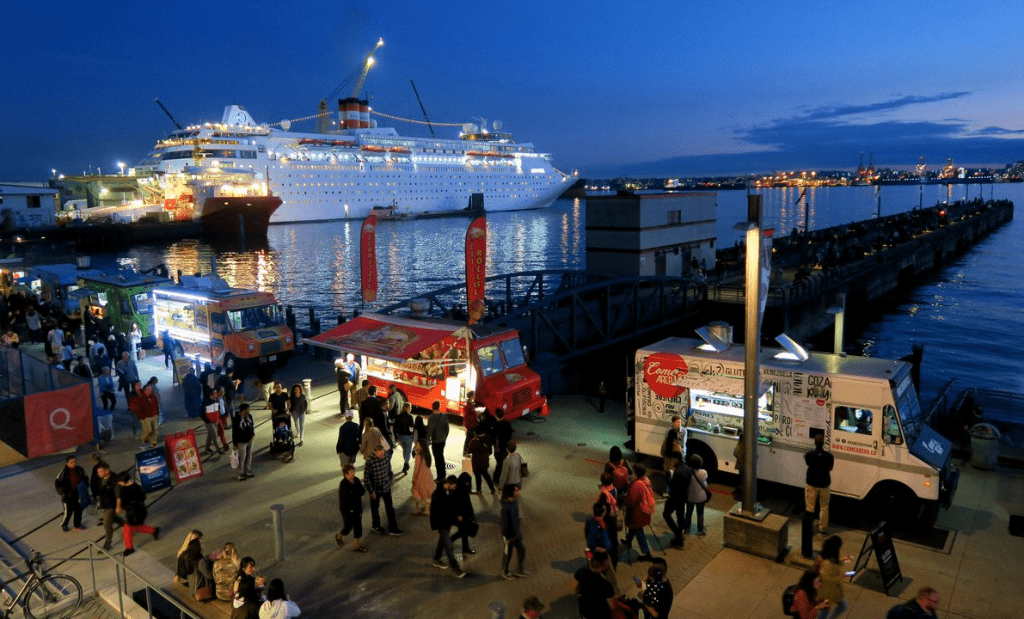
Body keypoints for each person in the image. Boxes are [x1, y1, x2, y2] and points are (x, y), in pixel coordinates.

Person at [430, 475, 467, 578]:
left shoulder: (450, 492)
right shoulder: (437, 494)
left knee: (442, 541)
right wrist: (434, 525)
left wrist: (457, 515)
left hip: (448, 522)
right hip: (441, 524)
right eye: (454, 486)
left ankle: (436, 559)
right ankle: (455, 568)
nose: (455, 488)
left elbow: (452, 505)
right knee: (449, 546)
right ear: (449, 484)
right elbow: (434, 511)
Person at [116, 472, 160, 557]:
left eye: (120, 482)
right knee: (135, 528)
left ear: (123, 481)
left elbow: (123, 502)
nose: (119, 483)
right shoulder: (135, 486)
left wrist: (121, 506)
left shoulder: (125, 490)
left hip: (134, 512)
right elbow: (143, 497)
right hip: (139, 510)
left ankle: (129, 548)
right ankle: (154, 530)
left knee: (127, 529)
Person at [364, 445, 403, 536]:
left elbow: (389, 471)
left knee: (390, 508)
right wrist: (371, 491)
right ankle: (376, 525)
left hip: (385, 487)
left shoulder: (386, 457)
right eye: (380, 454)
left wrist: (390, 480)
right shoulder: (370, 461)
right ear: (375, 452)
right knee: (375, 508)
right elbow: (366, 478)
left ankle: (393, 528)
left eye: (383, 453)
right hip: (375, 489)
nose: (382, 456)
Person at [621, 464, 655, 562]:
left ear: (636, 472)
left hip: (637, 512)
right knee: (634, 528)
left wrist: (623, 499)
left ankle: (647, 553)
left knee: (639, 531)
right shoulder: (646, 480)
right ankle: (628, 541)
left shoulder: (637, 484)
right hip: (645, 510)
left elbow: (630, 500)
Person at [805, 432, 835, 534]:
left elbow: (808, 463)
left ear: (815, 443)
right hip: (824, 484)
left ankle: (808, 527)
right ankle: (823, 529)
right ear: (823, 443)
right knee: (824, 506)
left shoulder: (809, 455)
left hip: (811, 483)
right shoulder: (829, 456)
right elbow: (830, 468)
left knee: (810, 506)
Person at [815, 535, 851, 619]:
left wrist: (844, 560)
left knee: (841, 606)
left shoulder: (832, 557)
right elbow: (826, 578)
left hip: (833, 591)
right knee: (828, 610)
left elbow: (836, 563)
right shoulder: (827, 562)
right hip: (827, 592)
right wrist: (841, 577)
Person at [662, 452, 691, 547]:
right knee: (680, 516)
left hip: (675, 497)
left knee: (666, 514)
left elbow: (673, 486)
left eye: (672, 460)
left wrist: (668, 479)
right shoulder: (687, 468)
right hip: (683, 497)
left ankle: (678, 535)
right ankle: (680, 535)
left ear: (676, 459)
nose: (671, 462)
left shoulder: (678, 471)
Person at [500, 483, 528, 579]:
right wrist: (507, 537)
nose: (517, 492)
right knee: (508, 553)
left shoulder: (515, 502)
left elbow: (516, 515)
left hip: (516, 533)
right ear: (510, 492)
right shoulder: (506, 507)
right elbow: (504, 524)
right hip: (509, 535)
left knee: (522, 549)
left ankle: (520, 570)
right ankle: (505, 571)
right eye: (515, 491)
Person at [175, 530, 213, 601]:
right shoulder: (196, 557)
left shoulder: (182, 553)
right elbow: (208, 575)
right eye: (199, 539)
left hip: (184, 579)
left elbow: (180, 570)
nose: (201, 541)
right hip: (193, 583)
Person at [336, 464, 367, 552]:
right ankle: (339, 536)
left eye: (354, 472)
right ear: (346, 474)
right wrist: (355, 492)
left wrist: (355, 492)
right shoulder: (343, 484)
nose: (353, 474)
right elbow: (346, 498)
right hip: (347, 509)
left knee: (358, 526)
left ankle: (357, 546)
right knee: (348, 527)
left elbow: (362, 491)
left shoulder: (356, 480)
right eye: (351, 472)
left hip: (357, 507)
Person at [595, 472, 622, 568]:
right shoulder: (614, 489)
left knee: (605, 541)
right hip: (613, 518)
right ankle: (614, 562)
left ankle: (605, 562)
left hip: (606, 520)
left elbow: (600, 508)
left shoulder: (603, 493)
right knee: (614, 541)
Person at [54, 455, 87, 532]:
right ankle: (64, 524)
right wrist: (63, 493)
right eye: (71, 462)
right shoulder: (64, 472)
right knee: (68, 511)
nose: (73, 464)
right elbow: (57, 483)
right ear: (67, 463)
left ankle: (77, 524)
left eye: (74, 462)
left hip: (76, 492)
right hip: (67, 494)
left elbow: (84, 478)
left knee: (78, 509)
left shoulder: (79, 469)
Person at [94, 462, 122, 550]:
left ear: (107, 471)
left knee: (107, 525)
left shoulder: (114, 480)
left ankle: (108, 544)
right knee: (114, 518)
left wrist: (118, 506)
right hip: (104, 503)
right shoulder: (100, 478)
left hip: (110, 505)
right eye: (98, 471)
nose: (98, 473)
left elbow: (118, 495)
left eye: (101, 471)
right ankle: (127, 525)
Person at [684, 453, 709, 536]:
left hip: (690, 497)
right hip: (700, 497)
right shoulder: (703, 473)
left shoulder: (688, 472)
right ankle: (700, 530)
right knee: (700, 513)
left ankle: (687, 529)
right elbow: (705, 485)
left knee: (688, 512)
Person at [426, 400, 450, 481]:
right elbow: (447, 429)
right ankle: (443, 475)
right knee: (441, 457)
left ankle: (440, 477)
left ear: (432, 407)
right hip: (442, 440)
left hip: (435, 441)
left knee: (437, 459)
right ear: (439, 407)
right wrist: (444, 437)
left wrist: (427, 441)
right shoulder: (444, 416)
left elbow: (430, 431)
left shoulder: (431, 418)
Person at [411, 439, 435, 515]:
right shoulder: (426, 455)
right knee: (427, 493)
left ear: (421, 446)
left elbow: (416, 470)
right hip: (428, 476)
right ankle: (427, 509)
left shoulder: (419, 456)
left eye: (417, 444)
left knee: (416, 492)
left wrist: (413, 480)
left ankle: (420, 507)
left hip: (420, 477)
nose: (415, 446)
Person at [234, 403, 256, 481]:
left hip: (250, 439)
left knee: (249, 455)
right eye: (248, 409)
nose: (249, 410)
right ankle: (241, 473)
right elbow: (235, 431)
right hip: (241, 441)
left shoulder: (249, 416)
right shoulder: (237, 419)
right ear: (244, 410)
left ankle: (248, 471)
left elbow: (252, 425)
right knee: (242, 458)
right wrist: (235, 444)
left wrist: (253, 434)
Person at [393, 402, 415, 473]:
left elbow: (394, 427)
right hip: (408, 436)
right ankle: (406, 463)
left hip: (400, 436)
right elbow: (411, 428)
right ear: (408, 408)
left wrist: (396, 437)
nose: (411, 409)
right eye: (410, 407)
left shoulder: (398, 416)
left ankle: (406, 463)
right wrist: (412, 433)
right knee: (408, 451)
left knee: (404, 450)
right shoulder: (410, 417)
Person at [492, 409, 514, 479]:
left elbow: (493, 437)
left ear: (496, 416)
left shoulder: (495, 426)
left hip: (498, 449)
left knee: (499, 464)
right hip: (505, 448)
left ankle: (496, 478)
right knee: (502, 463)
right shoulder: (507, 424)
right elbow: (510, 436)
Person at [461, 391, 478, 455]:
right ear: (471, 396)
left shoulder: (471, 404)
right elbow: (466, 416)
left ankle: (467, 452)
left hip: (472, 424)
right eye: (474, 395)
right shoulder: (467, 406)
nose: (475, 396)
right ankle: (465, 452)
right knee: (468, 439)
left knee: (470, 439)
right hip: (470, 425)